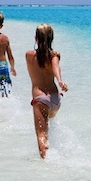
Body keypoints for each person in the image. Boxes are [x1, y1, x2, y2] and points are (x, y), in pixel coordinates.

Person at [25, 23, 68, 158]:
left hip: (40, 99)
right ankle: (54, 151)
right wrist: (59, 80)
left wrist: (59, 78)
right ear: (51, 39)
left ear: (35, 39)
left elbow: (53, 66)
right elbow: (55, 66)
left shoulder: (29, 55)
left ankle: (46, 164)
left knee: (41, 134)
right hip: (55, 99)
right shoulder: (55, 55)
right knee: (49, 124)